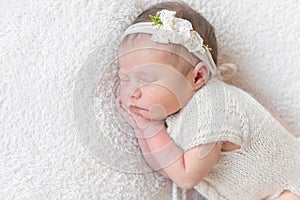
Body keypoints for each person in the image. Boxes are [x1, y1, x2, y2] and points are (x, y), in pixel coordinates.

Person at [116, 1, 300, 199]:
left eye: (146, 79)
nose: (132, 91)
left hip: (289, 188)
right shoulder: (180, 110)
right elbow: (165, 166)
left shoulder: (212, 107)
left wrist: (149, 129)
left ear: (197, 78)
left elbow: (186, 176)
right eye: (124, 78)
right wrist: (142, 128)